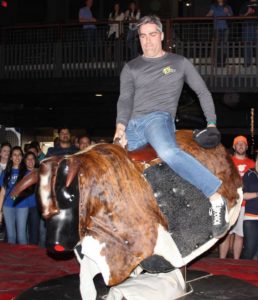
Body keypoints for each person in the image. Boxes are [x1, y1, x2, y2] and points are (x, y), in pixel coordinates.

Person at [114, 15, 228, 238]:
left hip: (158, 118)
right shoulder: (131, 67)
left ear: (162, 36)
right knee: (115, 165)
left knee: (167, 151)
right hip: (132, 124)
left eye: (152, 35)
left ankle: (215, 197)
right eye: (143, 36)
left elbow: (202, 92)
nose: (147, 41)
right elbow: (125, 98)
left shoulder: (178, 63)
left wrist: (212, 122)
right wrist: (120, 126)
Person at [219, 135, 255, 259]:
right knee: (226, 233)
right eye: (238, 144)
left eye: (243, 144)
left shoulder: (252, 164)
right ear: (234, 146)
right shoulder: (228, 162)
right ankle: (222, 262)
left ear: (246, 146)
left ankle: (236, 262)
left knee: (240, 235)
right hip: (230, 203)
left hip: (244, 205)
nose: (241, 146)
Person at [0, 146, 29, 244]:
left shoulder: (27, 173)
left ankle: (24, 258)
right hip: (7, 206)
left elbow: (29, 191)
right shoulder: (5, 173)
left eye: (20, 155)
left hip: (22, 206)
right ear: (11, 157)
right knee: (11, 236)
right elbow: (2, 193)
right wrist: (0, 211)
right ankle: (13, 259)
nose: (17, 157)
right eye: (15, 155)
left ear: (22, 157)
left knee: (21, 236)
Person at [206, 0, 233, 67]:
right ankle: (217, 62)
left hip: (225, 28)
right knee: (217, 46)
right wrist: (209, 14)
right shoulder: (214, 6)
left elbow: (231, 16)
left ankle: (223, 62)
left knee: (224, 45)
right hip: (217, 28)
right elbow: (208, 15)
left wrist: (227, 12)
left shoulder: (227, 6)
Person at [241, 154, 258, 259]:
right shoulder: (250, 173)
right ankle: (239, 273)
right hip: (251, 217)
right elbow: (243, 195)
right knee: (249, 251)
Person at [23, 151, 40, 245]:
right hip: (22, 207)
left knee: (34, 231)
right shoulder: (21, 173)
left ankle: (33, 252)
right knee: (23, 232)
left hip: (35, 206)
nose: (30, 161)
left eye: (32, 158)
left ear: (35, 160)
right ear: (24, 161)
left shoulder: (40, 172)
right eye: (28, 159)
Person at [240, 0, 258, 67]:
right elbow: (240, 16)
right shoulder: (245, 3)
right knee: (247, 44)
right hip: (247, 25)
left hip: (257, 26)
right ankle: (247, 62)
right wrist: (248, 12)